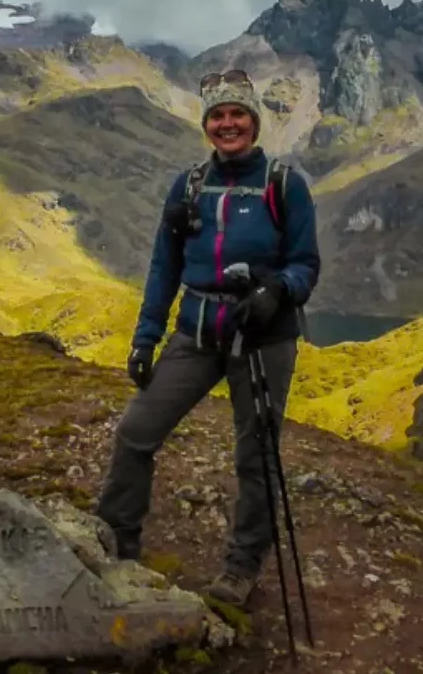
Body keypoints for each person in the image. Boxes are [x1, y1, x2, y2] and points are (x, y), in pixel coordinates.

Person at [95, 69, 320, 608]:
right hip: (196, 333)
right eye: (218, 116)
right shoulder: (190, 186)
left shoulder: (283, 184)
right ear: (206, 124)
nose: (228, 124)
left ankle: (242, 567)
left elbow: (306, 264)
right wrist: (145, 339)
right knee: (135, 433)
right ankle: (116, 544)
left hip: (263, 338)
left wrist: (276, 292)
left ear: (254, 121)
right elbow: (163, 266)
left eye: (237, 114)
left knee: (256, 455)